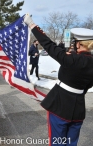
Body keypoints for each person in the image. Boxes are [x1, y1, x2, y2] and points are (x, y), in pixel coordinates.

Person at [24, 13, 93, 146]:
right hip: (78, 110)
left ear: (78, 44)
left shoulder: (70, 60)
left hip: (60, 107)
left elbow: (48, 45)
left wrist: (32, 24)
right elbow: (87, 86)